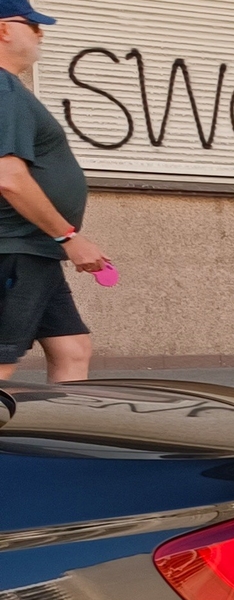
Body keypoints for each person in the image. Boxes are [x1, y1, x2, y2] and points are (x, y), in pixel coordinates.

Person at [0, 0, 101, 382]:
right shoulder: (3, 89)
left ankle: (63, 437)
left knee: (72, 348)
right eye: (34, 26)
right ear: (4, 29)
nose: (41, 34)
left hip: (34, 248)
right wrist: (69, 237)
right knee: (2, 365)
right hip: (15, 250)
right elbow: (8, 175)